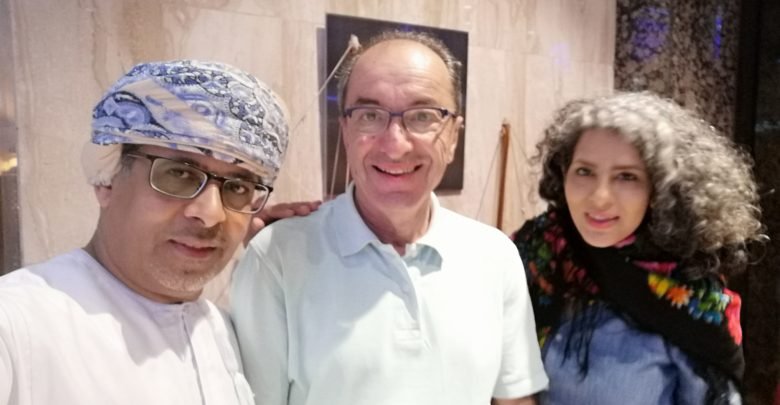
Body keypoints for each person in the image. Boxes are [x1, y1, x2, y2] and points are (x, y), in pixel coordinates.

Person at [231, 30, 548, 405]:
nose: (395, 145)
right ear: (345, 131)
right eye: (370, 115)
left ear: (453, 136)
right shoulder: (276, 257)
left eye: (423, 116)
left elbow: (514, 398)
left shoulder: (496, 255)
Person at [0, 60, 295, 404]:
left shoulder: (222, 333)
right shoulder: (16, 323)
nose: (211, 213)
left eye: (238, 187)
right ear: (107, 179)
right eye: (179, 174)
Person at [512, 92, 765, 404]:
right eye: (585, 171)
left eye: (626, 177)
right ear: (564, 173)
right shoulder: (535, 252)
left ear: (659, 189)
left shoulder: (691, 297)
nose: (599, 197)